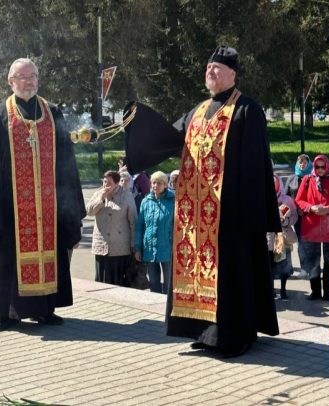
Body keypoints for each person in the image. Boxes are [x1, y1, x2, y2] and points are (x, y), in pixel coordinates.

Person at [123, 45, 281, 358]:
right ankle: (204, 333)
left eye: (217, 67)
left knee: (230, 276)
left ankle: (235, 336)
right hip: (194, 217)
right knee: (196, 274)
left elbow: (255, 165)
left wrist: (249, 215)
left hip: (230, 214)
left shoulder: (247, 109)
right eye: (208, 67)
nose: (210, 71)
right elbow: (166, 139)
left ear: (232, 74)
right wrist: (136, 123)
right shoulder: (197, 111)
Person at [0, 58, 86, 332]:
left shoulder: (53, 114)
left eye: (33, 76)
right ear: (10, 82)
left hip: (49, 207)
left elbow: (67, 162)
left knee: (50, 255)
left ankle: (45, 310)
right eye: (23, 77)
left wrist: (69, 206)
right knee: (8, 260)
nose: (29, 81)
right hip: (10, 210)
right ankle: (7, 314)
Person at [295, 155, 329, 301]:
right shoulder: (307, 180)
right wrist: (311, 208)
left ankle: (327, 291)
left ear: (327, 166)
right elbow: (299, 200)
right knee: (313, 261)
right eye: (317, 167)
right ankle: (315, 291)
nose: (320, 170)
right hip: (311, 227)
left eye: (322, 167)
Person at [86, 170, 137, 286]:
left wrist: (134, 243)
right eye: (104, 182)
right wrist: (101, 199)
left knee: (117, 281)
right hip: (101, 245)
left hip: (119, 247)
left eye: (109, 183)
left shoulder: (126, 195)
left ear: (117, 183)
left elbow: (133, 221)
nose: (105, 185)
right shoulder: (98, 194)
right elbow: (89, 211)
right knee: (101, 281)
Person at [134, 171, 175, 294]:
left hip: (167, 248)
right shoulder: (146, 201)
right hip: (149, 249)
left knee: (169, 282)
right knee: (153, 282)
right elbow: (140, 227)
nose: (155, 185)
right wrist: (137, 248)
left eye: (159, 183)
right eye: (153, 182)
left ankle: (167, 303)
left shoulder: (173, 200)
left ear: (165, 185)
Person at [267, 174, 298, 299]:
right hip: (268, 237)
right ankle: (271, 290)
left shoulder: (287, 200)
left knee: (284, 265)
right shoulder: (263, 198)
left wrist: (286, 221)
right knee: (270, 265)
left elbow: (295, 216)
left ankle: (283, 289)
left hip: (283, 238)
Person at [285, 154, 313, 276]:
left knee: (310, 242)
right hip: (296, 216)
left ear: (309, 164)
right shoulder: (291, 178)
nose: (302, 165)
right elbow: (286, 197)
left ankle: (312, 266)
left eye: (304, 163)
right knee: (301, 242)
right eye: (300, 163)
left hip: (310, 215)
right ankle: (304, 268)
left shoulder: (312, 178)